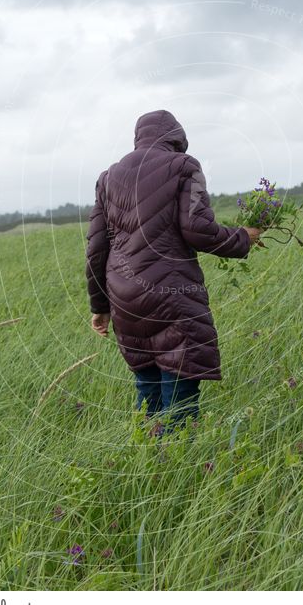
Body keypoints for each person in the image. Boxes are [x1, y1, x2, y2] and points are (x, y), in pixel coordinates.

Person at [85, 109, 263, 431]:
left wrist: (100, 307)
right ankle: (177, 462)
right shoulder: (183, 166)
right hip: (173, 296)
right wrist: (242, 238)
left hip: (125, 300)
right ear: (177, 138)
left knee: (147, 394)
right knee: (179, 400)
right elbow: (197, 230)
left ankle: (147, 465)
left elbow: (97, 249)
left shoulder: (108, 177)